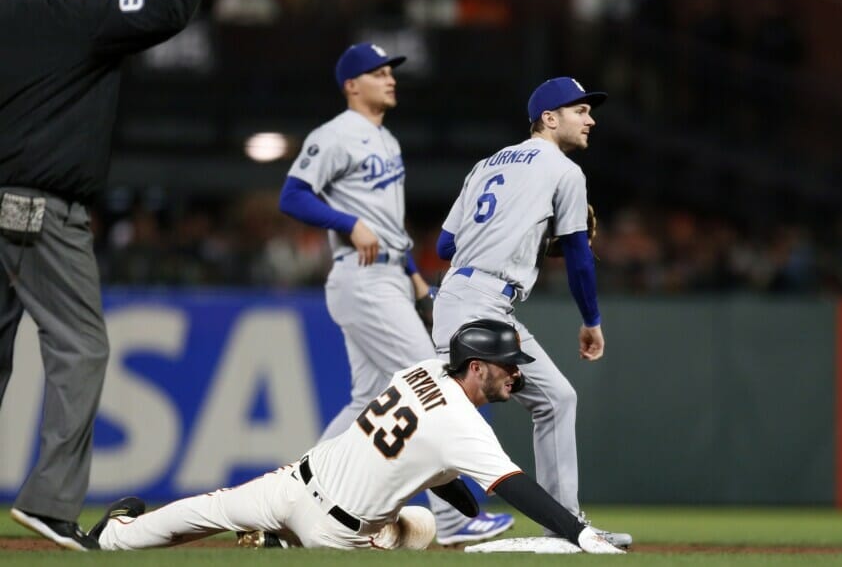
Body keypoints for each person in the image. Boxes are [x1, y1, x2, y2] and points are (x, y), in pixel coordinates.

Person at [0, 0, 210, 551]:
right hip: (39, 209)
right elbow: (170, 4)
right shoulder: (78, 15)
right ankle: (50, 501)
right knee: (81, 347)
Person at [88, 320, 626, 554]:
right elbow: (516, 487)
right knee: (417, 529)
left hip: (295, 481)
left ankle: (109, 540)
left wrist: (459, 493)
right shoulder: (463, 426)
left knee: (208, 509)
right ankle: (284, 542)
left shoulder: (422, 370)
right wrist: (579, 533)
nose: (516, 372)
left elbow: (427, 458)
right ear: (478, 367)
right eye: (508, 363)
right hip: (338, 533)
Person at [277, 42, 513, 544]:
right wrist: (347, 222)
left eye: (390, 71)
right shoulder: (335, 134)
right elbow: (292, 195)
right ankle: (453, 520)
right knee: (435, 385)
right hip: (360, 274)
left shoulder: (386, 139)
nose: (390, 78)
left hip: (388, 274)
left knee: (365, 402)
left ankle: (291, 501)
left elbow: (387, 223)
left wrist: (414, 274)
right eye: (378, 72)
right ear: (351, 85)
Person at [432, 77, 630, 547]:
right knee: (444, 412)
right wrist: (592, 321)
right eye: (580, 110)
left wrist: (529, 238)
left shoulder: (486, 164)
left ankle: (563, 525)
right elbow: (579, 258)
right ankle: (362, 499)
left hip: (462, 295)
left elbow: (445, 245)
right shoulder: (564, 171)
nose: (590, 119)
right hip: (483, 302)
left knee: (553, 399)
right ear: (549, 118)